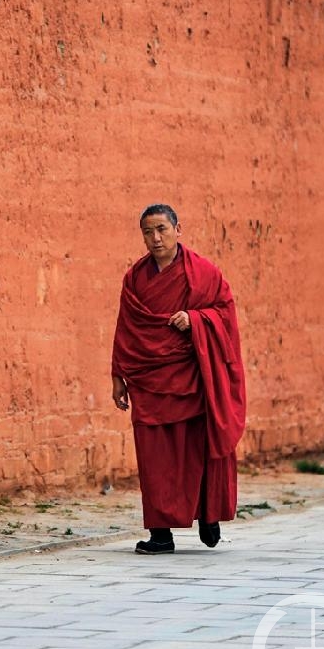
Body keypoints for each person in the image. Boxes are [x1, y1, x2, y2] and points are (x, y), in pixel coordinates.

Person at [111, 204, 246, 554]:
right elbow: (126, 328)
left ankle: (208, 514)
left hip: (193, 382)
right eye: (147, 232)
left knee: (196, 454)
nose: (155, 239)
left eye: (161, 230)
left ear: (177, 229)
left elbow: (225, 314)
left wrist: (197, 319)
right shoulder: (135, 279)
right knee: (155, 460)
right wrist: (118, 375)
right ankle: (160, 534)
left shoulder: (203, 273)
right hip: (150, 383)